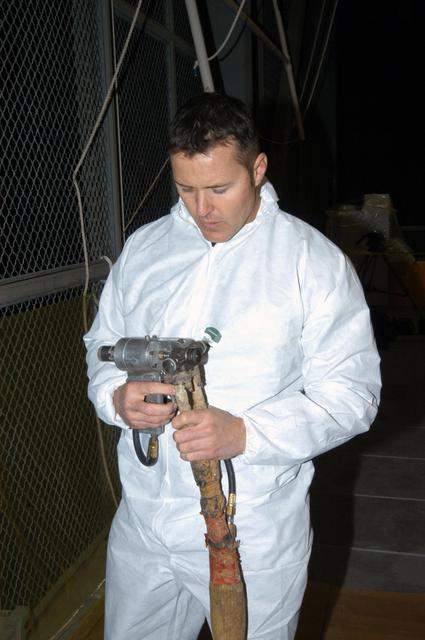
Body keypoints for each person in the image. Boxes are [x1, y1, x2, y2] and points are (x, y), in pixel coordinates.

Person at [84, 92, 381, 640]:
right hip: (144, 522)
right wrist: (116, 399)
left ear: (258, 169)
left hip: (253, 530)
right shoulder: (146, 250)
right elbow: (102, 346)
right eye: (186, 189)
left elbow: (351, 396)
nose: (203, 209)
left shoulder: (310, 261)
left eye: (220, 189)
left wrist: (246, 433)